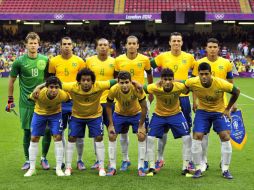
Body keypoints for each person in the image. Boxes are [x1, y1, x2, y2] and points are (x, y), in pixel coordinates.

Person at [185, 62, 240, 179]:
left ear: (211, 74)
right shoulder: (192, 81)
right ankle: (199, 167)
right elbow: (183, 86)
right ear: (198, 75)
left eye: (206, 74)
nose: (204, 76)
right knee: (197, 136)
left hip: (218, 112)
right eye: (201, 74)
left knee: (225, 136)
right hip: (202, 112)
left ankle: (225, 169)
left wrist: (227, 109)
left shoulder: (220, 83)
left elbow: (236, 91)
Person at [151, 32, 195, 173]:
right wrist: (152, 83)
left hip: (183, 97)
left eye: (178, 41)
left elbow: (195, 76)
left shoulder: (189, 57)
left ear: (182, 43)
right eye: (174, 41)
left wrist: (195, 98)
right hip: (165, 97)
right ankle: (160, 158)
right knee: (162, 130)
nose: (176, 43)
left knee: (187, 131)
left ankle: (189, 161)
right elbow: (147, 67)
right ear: (169, 43)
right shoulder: (162, 57)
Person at [6, 32, 51, 170]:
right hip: (26, 103)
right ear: (26, 45)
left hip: (43, 102)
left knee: (48, 131)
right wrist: (10, 100)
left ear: (39, 44)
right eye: (30, 43)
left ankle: (43, 158)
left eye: (35, 43)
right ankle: (27, 160)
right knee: (27, 132)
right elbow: (12, 81)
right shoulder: (19, 61)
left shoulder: (45, 59)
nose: (32, 45)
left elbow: (50, 80)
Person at [192, 38, 236, 172]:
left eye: (215, 47)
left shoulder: (226, 63)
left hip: (221, 105)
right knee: (202, 134)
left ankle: (224, 162)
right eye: (210, 47)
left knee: (225, 134)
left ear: (218, 48)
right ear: (206, 48)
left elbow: (231, 83)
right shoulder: (199, 63)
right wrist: (194, 101)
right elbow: (194, 84)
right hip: (203, 104)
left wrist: (232, 104)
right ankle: (204, 161)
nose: (212, 49)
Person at [63, 68, 117, 176]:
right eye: (83, 80)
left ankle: (101, 167)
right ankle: (68, 167)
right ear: (79, 81)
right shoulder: (72, 87)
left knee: (99, 137)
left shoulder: (99, 85)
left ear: (92, 81)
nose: (86, 82)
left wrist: (133, 82)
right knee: (71, 138)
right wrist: (38, 87)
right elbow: (55, 83)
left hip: (95, 116)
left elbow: (115, 81)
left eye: (88, 80)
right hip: (77, 116)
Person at [114, 35, 153, 171]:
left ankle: (145, 160)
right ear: (125, 45)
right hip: (123, 99)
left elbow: (149, 75)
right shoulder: (118, 60)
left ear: (138, 45)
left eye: (134, 43)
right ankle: (125, 160)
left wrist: (150, 92)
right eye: (129, 43)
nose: (131, 45)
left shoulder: (144, 59)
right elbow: (116, 79)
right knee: (123, 131)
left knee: (143, 132)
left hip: (140, 98)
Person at [48, 37, 86, 170]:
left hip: (76, 101)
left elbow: (84, 82)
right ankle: (63, 160)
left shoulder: (80, 61)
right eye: (64, 44)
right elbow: (50, 81)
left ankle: (80, 160)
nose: (66, 46)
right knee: (60, 132)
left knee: (78, 133)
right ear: (60, 46)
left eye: (69, 44)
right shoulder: (53, 61)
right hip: (60, 102)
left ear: (73, 46)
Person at [145, 68, 191, 176]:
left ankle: (186, 168)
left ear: (173, 79)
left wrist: (180, 81)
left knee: (187, 138)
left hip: (176, 114)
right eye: (165, 79)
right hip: (159, 115)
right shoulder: (155, 87)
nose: (167, 82)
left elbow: (188, 86)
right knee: (150, 138)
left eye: (170, 79)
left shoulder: (179, 86)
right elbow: (142, 88)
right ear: (161, 79)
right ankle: (152, 168)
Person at [24, 76, 69, 177]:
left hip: (55, 114)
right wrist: (37, 88)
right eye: (51, 87)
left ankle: (58, 168)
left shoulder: (63, 95)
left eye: (56, 87)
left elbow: (69, 99)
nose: (54, 90)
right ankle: (32, 168)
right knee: (34, 138)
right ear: (46, 87)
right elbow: (29, 98)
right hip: (39, 114)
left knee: (58, 137)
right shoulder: (38, 93)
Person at [106, 71, 148, 176]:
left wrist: (141, 125)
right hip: (119, 114)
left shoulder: (137, 89)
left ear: (130, 82)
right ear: (118, 82)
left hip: (136, 114)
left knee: (142, 135)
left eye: (126, 82)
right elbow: (108, 107)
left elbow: (144, 108)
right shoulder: (113, 89)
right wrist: (110, 124)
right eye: (121, 83)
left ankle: (141, 166)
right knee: (112, 135)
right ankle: (113, 166)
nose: (124, 85)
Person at [86, 38, 115, 169]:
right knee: (97, 133)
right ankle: (98, 160)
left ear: (109, 47)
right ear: (96, 47)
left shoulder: (115, 62)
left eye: (105, 45)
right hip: (95, 102)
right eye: (100, 45)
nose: (103, 47)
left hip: (110, 102)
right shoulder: (89, 61)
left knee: (112, 132)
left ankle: (111, 161)